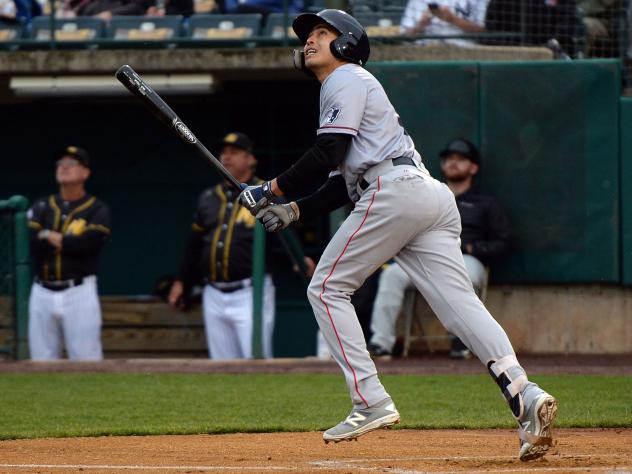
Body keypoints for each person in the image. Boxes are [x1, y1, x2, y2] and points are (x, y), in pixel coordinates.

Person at [237, 9, 557, 461]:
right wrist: (293, 209)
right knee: (460, 308)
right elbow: (337, 180)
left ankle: (369, 399)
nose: (310, 40)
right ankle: (525, 395)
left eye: (322, 33)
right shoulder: (351, 87)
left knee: (327, 288)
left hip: (393, 192)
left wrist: (269, 189)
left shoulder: (344, 78)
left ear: (346, 44)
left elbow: (328, 150)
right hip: (426, 196)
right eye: (308, 35)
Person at [168, 132, 314, 360]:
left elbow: (286, 236)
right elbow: (194, 245)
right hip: (213, 292)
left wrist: (298, 259)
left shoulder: (268, 194)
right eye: (224, 153)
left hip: (250, 291)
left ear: (251, 159)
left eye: (234, 152)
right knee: (222, 366)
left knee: (256, 362)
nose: (226, 157)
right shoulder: (208, 197)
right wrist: (181, 281)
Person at [367, 138, 511, 360]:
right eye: (449, 158)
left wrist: (474, 247)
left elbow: (503, 242)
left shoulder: (485, 202)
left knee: (466, 272)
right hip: (427, 257)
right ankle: (381, 343)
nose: (453, 163)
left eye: (460, 159)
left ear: (473, 167)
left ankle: (462, 341)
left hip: (467, 259)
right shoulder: (429, 193)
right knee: (392, 275)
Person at [27, 146, 111, 360]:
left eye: (71, 164)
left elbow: (87, 247)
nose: (64, 167)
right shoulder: (43, 205)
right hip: (42, 290)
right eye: (61, 163)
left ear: (85, 172)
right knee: (40, 363)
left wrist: (49, 235)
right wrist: (66, 241)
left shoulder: (97, 208)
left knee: (86, 359)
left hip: (79, 291)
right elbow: (33, 245)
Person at [399, 0, 488, 47]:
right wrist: (420, 25)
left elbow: (483, 31)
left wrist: (453, 20)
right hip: (425, 50)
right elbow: (404, 36)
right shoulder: (417, 1)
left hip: (462, 50)